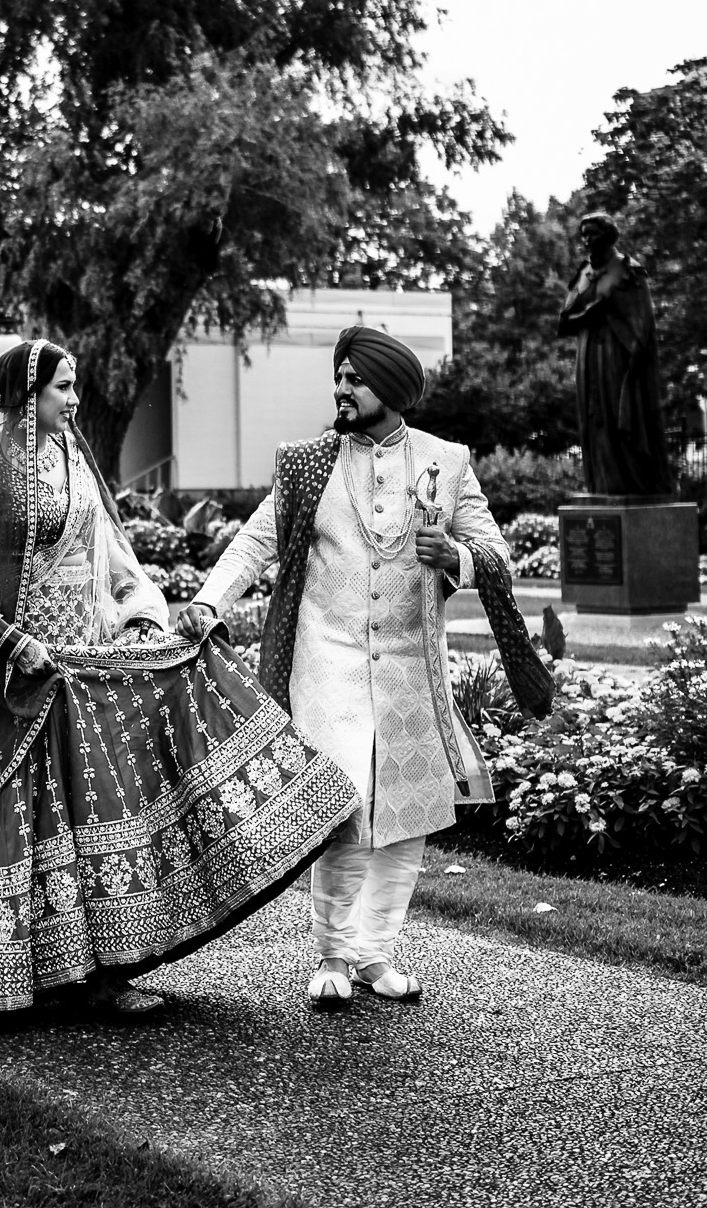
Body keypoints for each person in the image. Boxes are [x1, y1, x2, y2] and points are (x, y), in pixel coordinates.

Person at [0, 340, 359, 1021]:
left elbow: (112, 551)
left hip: (81, 669)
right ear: (27, 395)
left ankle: (99, 973)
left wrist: (142, 614)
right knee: (16, 818)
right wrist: (11, 639)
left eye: (76, 385)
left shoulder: (73, 458)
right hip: (11, 675)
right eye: (62, 388)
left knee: (94, 820)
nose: (75, 400)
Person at [176, 328, 552, 1007]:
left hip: (412, 668)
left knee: (406, 815)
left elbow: (495, 551)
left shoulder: (448, 460)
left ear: (391, 386)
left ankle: (375, 954)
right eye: (338, 376)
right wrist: (206, 602)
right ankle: (332, 955)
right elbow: (254, 542)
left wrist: (457, 560)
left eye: (354, 378)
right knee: (343, 811)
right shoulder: (308, 463)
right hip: (329, 664)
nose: (341, 389)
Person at [558, 212, 673, 495]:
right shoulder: (584, 273)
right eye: (583, 234)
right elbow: (564, 322)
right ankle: (600, 484)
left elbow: (643, 324)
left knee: (617, 418)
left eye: (592, 233)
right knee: (593, 420)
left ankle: (632, 485)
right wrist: (590, 313)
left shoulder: (627, 270)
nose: (586, 240)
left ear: (608, 235)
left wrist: (635, 360)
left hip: (617, 357)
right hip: (588, 358)